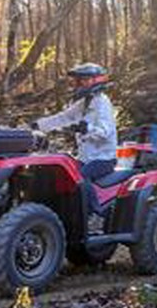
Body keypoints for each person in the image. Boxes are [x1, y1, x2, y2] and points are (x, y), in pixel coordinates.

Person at [31, 63, 118, 211]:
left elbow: (105, 132)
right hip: (85, 158)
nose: (79, 84)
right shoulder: (84, 103)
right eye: (78, 80)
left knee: (80, 177)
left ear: (96, 81)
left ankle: (95, 211)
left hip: (103, 159)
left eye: (83, 80)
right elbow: (63, 117)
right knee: (61, 174)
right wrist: (38, 125)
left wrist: (86, 128)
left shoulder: (102, 102)